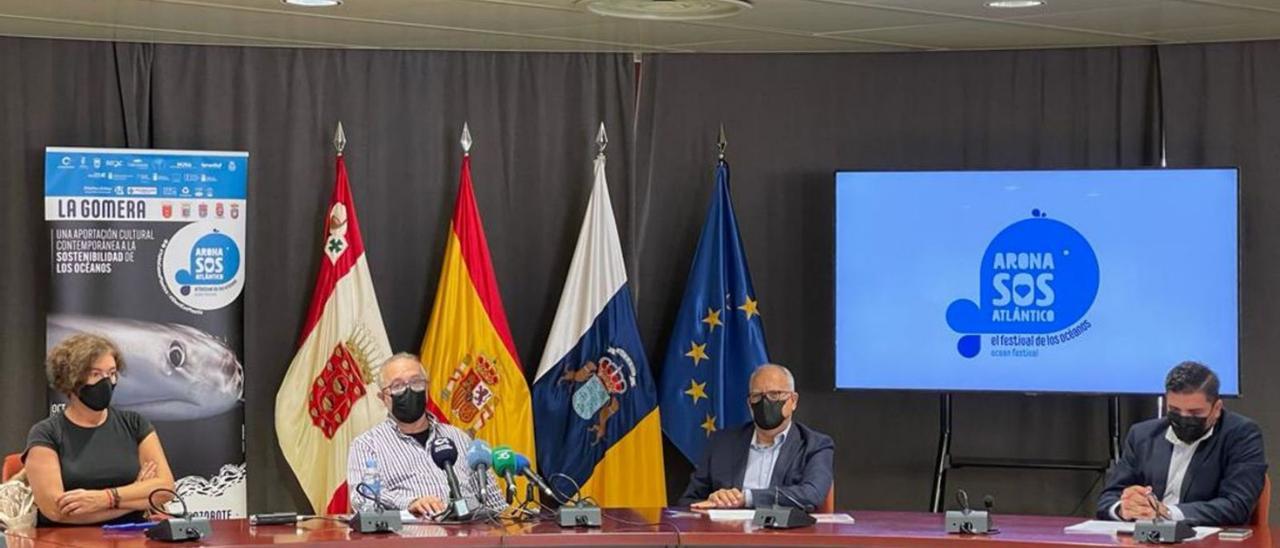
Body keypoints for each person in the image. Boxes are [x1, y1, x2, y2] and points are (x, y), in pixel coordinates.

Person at [23, 334, 176, 526]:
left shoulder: (135, 424)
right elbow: (57, 510)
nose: (107, 382)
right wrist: (136, 495)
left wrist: (105, 499)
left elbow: (165, 489)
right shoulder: (46, 433)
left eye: (112, 373)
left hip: (134, 539)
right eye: (96, 374)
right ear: (72, 380)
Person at [1097, 361, 1267, 526]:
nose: (1184, 418)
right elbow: (1108, 498)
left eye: (1195, 412)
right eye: (1175, 410)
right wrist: (1124, 509)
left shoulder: (1241, 434)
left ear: (1217, 409)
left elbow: (1237, 505)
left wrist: (1167, 513)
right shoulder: (1142, 435)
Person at [346, 353, 507, 517]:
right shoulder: (366, 445)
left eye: (416, 382)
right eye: (397, 386)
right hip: (410, 538)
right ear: (383, 398)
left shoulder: (459, 438)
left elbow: (496, 506)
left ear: (427, 388)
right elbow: (361, 499)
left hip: (468, 535)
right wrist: (410, 503)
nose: (408, 390)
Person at [678, 363, 834, 509]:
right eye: (757, 396)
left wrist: (747, 498)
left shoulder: (814, 445)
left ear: (793, 401)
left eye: (774, 395)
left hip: (784, 534)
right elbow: (688, 502)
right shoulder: (722, 443)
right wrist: (714, 500)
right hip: (729, 533)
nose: (765, 402)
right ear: (749, 404)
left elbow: (812, 494)